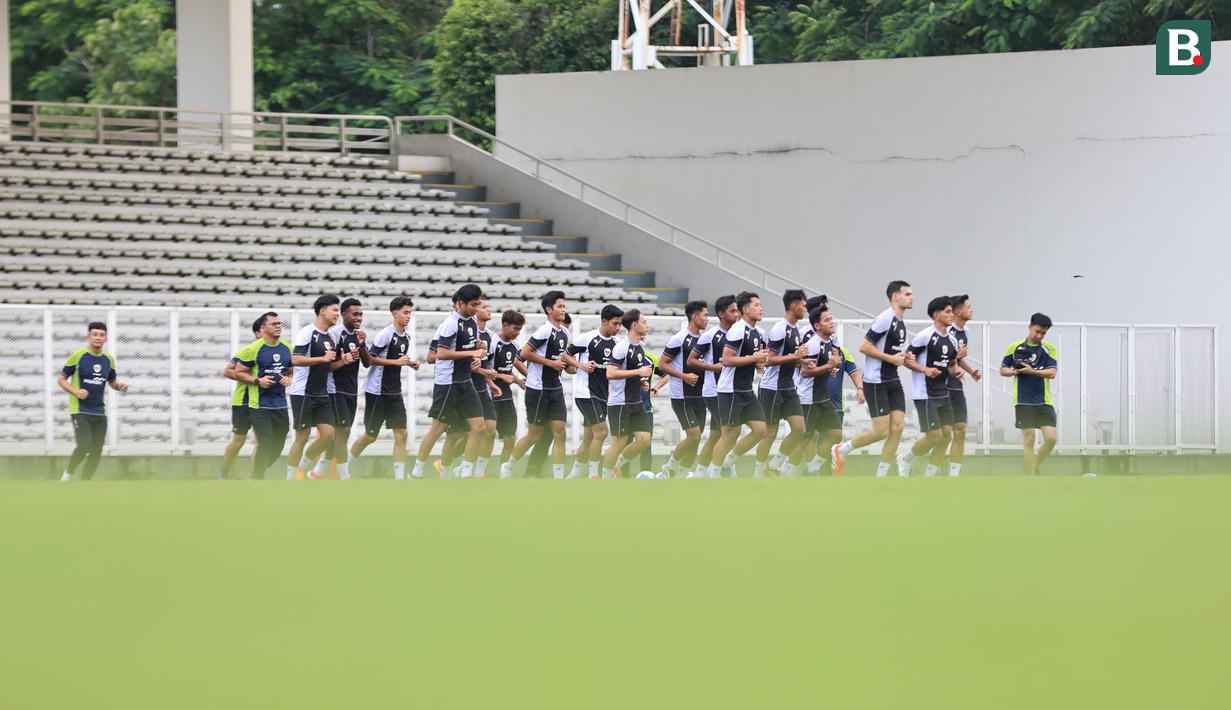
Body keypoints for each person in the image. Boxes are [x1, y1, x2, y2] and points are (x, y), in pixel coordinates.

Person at [831, 280, 914, 477]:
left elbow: (891, 351)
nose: (912, 298)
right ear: (895, 296)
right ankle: (841, 449)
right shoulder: (885, 318)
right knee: (882, 431)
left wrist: (903, 357)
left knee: (898, 428)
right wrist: (891, 358)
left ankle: (881, 475)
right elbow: (864, 346)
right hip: (876, 382)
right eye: (908, 294)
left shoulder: (901, 321)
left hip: (892, 379)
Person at [501, 291, 585, 479]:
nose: (563, 309)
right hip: (537, 389)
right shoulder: (544, 330)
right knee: (535, 434)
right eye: (560, 306)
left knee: (560, 433)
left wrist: (578, 366)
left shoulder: (564, 331)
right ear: (549, 309)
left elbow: (561, 357)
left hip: (555, 388)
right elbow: (524, 353)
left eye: (564, 306)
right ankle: (508, 466)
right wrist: (551, 363)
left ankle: (558, 479)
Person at [411, 284, 487, 479]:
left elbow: (467, 347)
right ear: (460, 303)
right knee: (438, 429)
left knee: (478, 427)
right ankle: (416, 472)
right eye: (473, 304)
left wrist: (478, 348)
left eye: (478, 304)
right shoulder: (450, 324)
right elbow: (440, 353)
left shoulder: (471, 322)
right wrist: (472, 352)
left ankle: (466, 474)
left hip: (465, 382)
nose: (476, 308)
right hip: (448, 384)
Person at [350, 296, 420, 479]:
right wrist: (396, 362)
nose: (408, 316)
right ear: (394, 313)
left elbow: (396, 360)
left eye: (410, 313)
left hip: (394, 392)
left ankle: (399, 479)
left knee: (402, 434)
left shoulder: (407, 336)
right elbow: (371, 359)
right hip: (377, 392)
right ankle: (344, 464)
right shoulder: (385, 334)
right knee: (370, 436)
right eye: (405, 313)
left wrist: (409, 363)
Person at [57, 322, 129, 481]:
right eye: (95, 334)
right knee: (84, 445)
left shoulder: (108, 359)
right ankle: (66, 477)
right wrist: (76, 391)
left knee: (96, 450)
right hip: (80, 410)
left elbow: (111, 382)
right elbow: (61, 379)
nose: (98, 338)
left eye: (101, 335)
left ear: (106, 338)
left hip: (99, 411)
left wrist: (119, 386)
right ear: (88, 337)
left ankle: (85, 482)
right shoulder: (78, 355)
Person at [898, 297, 961, 477]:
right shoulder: (925, 336)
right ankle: (905, 458)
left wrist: (957, 372)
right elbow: (906, 360)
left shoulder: (952, 340)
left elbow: (951, 364)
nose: (952, 315)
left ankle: (930, 476)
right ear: (936, 315)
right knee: (935, 436)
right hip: (925, 394)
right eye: (948, 312)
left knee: (947, 435)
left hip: (943, 394)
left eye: (952, 311)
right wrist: (924, 369)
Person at [711, 291, 770, 476]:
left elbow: (758, 357)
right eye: (757, 305)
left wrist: (759, 362)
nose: (761, 308)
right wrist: (754, 358)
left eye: (760, 305)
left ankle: (728, 463)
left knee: (761, 430)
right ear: (745, 309)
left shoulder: (759, 333)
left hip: (746, 389)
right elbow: (727, 360)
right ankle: (713, 475)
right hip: (730, 390)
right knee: (730, 434)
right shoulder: (737, 329)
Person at [310, 298, 369, 480]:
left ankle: (317, 472)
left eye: (360, 314)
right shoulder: (335, 334)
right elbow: (325, 365)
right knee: (342, 432)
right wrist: (343, 361)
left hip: (350, 390)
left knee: (342, 433)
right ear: (343, 314)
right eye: (355, 314)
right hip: (335, 389)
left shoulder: (357, 335)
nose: (358, 317)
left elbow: (367, 363)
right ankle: (344, 476)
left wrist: (361, 344)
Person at [231, 312, 293, 480]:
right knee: (264, 442)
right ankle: (257, 477)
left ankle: (259, 470)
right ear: (263, 328)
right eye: (274, 324)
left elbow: (291, 370)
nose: (278, 326)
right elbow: (237, 372)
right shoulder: (253, 349)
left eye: (280, 323)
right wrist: (258, 380)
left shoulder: (287, 347)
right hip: (259, 405)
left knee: (278, 443)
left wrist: (289, 379)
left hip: (280, 404)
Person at [757, 289, 810, 477]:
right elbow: (768, 360)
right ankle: (758, 474)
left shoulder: (795, 329)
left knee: (800, 430)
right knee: (769, 434)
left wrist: (801, 361)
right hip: (772, 389)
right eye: (804, 306)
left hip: (789, 388)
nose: (806, 309)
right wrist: (795, 356)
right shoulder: (780, 328)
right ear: (794, 306)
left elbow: (787, 358)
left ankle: (773, 466)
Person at [287, 294, 341, 480]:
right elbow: (295, 359)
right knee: (302, 437)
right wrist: (321, 358)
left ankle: (303, 466)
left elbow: (328, 366)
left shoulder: (332, 336)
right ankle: (290, 478)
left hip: (322, 393)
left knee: (329, 435)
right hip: (303, 393)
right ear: (322, 311)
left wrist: (343, 361)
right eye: (335, 310)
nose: (338, 314)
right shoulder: (307, 332)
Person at [1000, 313, 1059, 475]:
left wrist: (1032, 371)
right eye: (1037, 331)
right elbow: (1002, 369)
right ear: (1030, 327)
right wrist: (1012, 371)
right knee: (1029, 438)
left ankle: (1034, 465)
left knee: (1051, 439)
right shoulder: (1015, 347)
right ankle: (1030, 477)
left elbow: (1052, 373)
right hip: (1023, 400)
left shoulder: (1049, 349)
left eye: (1043, 333)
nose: (1039, 335)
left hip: (1044, 401)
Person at [568, 305, 623, 479]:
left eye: (620, 324)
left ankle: (573, 476)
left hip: (604, 395)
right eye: (615, 323)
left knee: (589, 438)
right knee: (601, 432)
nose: (618, 327)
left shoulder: (617, 343)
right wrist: (581, 365)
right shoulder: (588, 338)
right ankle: (593, 475)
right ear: (604, 321)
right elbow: (565, 355)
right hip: (586, 393)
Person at [795, 304, 850, 475]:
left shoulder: (829, 343)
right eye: (827, 320)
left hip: (822, 398)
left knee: (836, 433)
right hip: (808, 399)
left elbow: (822, 368)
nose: (831, 323)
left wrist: (829, 368)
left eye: (831, 319)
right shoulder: (812, 344)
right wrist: (829, 365)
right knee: (804, 439)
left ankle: (812, 468)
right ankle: (785, 470)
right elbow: (805, 372)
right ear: (817, 326)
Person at [688, 295, 739, 478]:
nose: (737, 314)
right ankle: (725, 470)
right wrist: (713, 367)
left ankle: (700, 472)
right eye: (732, 311)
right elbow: (691, 360)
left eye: (737, 310)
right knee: (731, 431)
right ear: (721, 314)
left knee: (717, 434)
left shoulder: (739, 334)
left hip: (733, 391)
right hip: (714, 392)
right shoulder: (711, 335)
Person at [658, 300, 708, 478]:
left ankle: (684, 474)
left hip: (700, 394)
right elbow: (662, 364)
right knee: (693, 435)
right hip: (681, 395)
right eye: (705, 315)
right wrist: (683, 376)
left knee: (696, 438)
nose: (707, 319)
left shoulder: (705, 339)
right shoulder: (679, 338)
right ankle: (669, 467)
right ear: (694, 317)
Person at [602, 309, 655, 478]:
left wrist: (641, 382)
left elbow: (629, 372)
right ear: (634, 325)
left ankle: (616, 467)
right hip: (620, 404)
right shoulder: (621, 348)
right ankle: (604, 477)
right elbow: (610, 373)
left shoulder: (640, 346)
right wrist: (638, 372)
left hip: (636, 402)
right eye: (644, 322)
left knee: (644, 440)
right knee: (618, 443)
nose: (647, 325)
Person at [220, 317, 264, 479]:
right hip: (243, 401)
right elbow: (227, 371)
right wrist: (253, 379)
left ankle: (255, 477)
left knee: (261, 443)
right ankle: (223, 472)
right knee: (239, 440)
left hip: (262, 403)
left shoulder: (277, 352)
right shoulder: (248, 351)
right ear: (258, 333)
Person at [945, 295, 981, 477]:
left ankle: (954, 475)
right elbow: (942, 358)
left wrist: (971, 371)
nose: (971, 309)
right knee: (941, 435)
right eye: (968, 306)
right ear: (958, 311)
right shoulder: (946, 330)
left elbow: (959, 358)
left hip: (956, 385)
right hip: (941, 386)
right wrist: (954, 360)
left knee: (960, 429)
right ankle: (908, 458)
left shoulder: (965, 332)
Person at [492, 310, 528, 475]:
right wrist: (502, 377)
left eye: (519, 329)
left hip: (505, 396)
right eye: (515, 328)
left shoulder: (513, 346)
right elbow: (483, 370)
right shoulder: (492, 342)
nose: (517, 332)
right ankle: (455, 466)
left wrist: (517, 380)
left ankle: (503, 472)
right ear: (504, 325)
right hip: (489, 395)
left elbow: (507, 368)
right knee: (480, 436)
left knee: (510, 438)